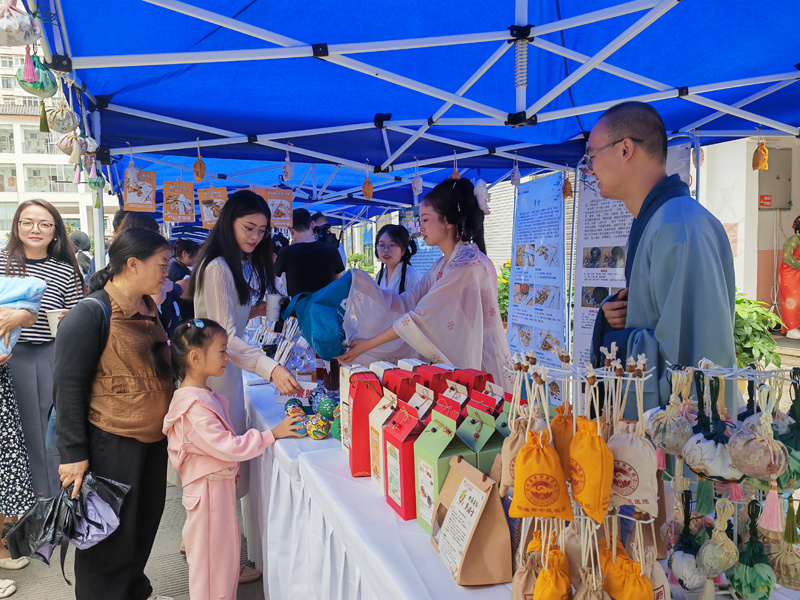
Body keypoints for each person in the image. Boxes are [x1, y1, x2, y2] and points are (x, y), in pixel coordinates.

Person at [587, 101, 736, 414]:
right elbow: (664, 324)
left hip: (685, 434)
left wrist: (626, 336)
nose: (589, 168)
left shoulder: (678, 226)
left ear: (625, 149)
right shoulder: (662, 220)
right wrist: (620, 317)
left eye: (592, 154)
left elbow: (687, 358)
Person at [54, 227, 175, 600]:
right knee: (106, 540)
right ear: (133, 264)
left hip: (151, 441)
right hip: (111, 443)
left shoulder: (148, 308)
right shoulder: (91, 313)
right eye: (162, 264)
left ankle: (134, 591)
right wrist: (74, 456)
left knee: (141, 528)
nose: (166, 272)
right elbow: (68, 388)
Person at [163, 318, 301, 600]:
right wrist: (271, 434)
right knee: (212, 568)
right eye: (222, 350)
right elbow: (228, 447)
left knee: (222, 561)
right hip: (208, 496)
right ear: (196, 357)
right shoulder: (193, 406)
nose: (226, 357)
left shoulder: (199, 395)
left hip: (214, 493)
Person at [338, 178, 513, 391]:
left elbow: (418, 318)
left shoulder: (466, 264)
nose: (420, 228)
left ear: (448, 220)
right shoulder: (442, 265)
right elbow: (407, 301)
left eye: (426, 220)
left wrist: (368, 344)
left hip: (480, 364)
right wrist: (363, 285)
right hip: (460, 361)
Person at [189, 190, 302, 496]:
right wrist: (271, 368)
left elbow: (221, 319)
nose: (255, 237)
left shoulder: (231, 264)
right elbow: (223, 335)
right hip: (214, 374)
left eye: (262, 231)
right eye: (248, 228)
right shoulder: (217, 268)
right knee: (218, 458)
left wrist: (254, 311)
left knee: (224, 459)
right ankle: (204, 532)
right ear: (229, 223)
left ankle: (212, 526)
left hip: (223, 370)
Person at [0, 199, 84, 498]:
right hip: (8, 359)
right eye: (28, 222)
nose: (36, 230)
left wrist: (70, 317)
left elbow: (78, 316)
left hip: (52, 356)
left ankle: (52, 506)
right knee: (14, 437)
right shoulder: (0, 262)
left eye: (45, 224)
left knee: (52, 432)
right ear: (17, 225)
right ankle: (17, 511)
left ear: (55, 230)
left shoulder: (66, 269)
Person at [276, 208, 344, 297]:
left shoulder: (286, 253)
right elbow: (338, 283)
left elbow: (271, 279)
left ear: (290, 229)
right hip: (324, 308)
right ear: (312, 225)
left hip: (298, 309)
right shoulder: (332, 250)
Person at [374, 224, 422, 293]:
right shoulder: (380, 275)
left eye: (392, 245)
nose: (386, 250)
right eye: (382, 245)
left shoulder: (412, 277)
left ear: (403, 250)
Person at [85, 209, 128, 281]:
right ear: (114, 234)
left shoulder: (145, 259)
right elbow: (88, 285)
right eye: (125, 234)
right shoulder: (100, 258)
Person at [168, 238, 200, 324]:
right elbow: (186, 297)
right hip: (185, 316)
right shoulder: (180, 273)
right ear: (184, 253)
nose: (197, 259)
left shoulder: (175, 267)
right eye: (196, 255)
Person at [780, 216, 800, 338]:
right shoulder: (795, 239)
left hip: (797, 273)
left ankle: (796, 327)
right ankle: (791, 329)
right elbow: (787, 257)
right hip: (789, 274)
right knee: (791, 301)